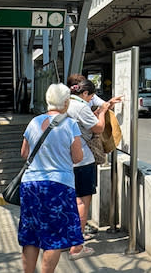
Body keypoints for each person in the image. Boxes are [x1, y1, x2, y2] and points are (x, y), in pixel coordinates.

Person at [18, 83, 89, 271]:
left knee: (31, 236)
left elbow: (24, 153)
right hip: (58, 186)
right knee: (54, 238)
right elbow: (77, 157)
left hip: (30, 185)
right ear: (65, 103)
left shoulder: (33, 122)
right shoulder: (69, 124)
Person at [64, 74, 121, 253]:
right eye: (90, 97)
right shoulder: (80, 107)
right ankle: (77, 246)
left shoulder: (64, 104)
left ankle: (67, 240)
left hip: (65, 160)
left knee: (69, 201)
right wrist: (102, 112)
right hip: (83, 160)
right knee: (82, 202)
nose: (91, 100)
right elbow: (98, 128)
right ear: (85, 93)